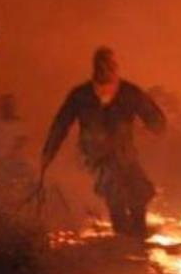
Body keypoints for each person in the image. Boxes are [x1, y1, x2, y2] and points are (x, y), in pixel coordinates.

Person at [39, 47, 166, 237]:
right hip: (95, 156)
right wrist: (48, 153)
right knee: (115, 194)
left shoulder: (129, 92)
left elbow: (156, 120)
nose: (107, 70)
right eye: (102, 66)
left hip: (125, 154)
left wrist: (149, 132)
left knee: (139, 191)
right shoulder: (81, 95)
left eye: (111, 66)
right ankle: (124, 239)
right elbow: (61, 124)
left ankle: (138, 236)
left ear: (116, 67)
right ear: (95, 68)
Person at [0, 93, 32, 210]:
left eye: (10, 105)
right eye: (5, 105)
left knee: (16, 187)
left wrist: (11, 155)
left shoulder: (19, 123)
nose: (7, 107)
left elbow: (21, 141)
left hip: (14, 162)